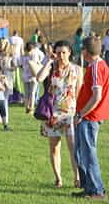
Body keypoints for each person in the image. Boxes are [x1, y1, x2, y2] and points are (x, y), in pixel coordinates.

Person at [37, 40, 82, 189]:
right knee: (54, 148)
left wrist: (80, 113)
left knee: (73, 147)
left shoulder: (77, 69)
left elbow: (79, 91)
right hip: (52, 113)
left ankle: (77, 177)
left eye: (64, 52)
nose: (61, 55)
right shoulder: (51, 68)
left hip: (70, 113)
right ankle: (58, 178)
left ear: (70, 52)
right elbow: (38, 78)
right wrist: (49, 61)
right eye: (58, 52)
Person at [72, 36, 109, 200]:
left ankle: (96, 190)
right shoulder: (99, 66)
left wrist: (81, 113)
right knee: (79, 152)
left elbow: (96, 95)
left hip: (89, 117)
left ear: (86, 51)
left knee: (88, 153)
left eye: (82, 49)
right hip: (89, 115)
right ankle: (88, 187)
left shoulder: (95, 67)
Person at [21, 42, 40, 114]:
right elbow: (35, 65)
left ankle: (27, 107)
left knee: (27, 93)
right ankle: (31, 108)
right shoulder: (34, 55)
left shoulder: (24, 56)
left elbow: (22, 66)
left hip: (25, 76)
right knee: (32, 93)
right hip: (33, 76)